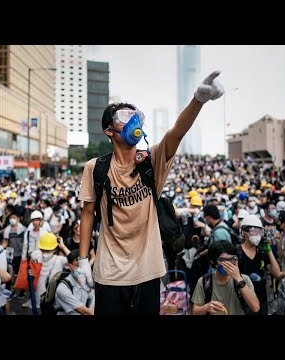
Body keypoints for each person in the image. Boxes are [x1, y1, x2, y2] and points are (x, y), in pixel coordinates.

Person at [78, 71, 224, 315]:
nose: (133, 121)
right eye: (125, 117)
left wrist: (198, 99)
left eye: (136, 117)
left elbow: (176, 132)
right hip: (109, 274)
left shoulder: (151, 163)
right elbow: (88, 212)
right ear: (109, 130)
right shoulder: (96, 168)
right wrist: (83, 260)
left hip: (147, 273)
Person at [191, 240, 260, 315]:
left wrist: (239, 279)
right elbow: (195, 311)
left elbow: (255, 307)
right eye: (223, 260)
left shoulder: (244, 279)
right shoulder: (204, 281)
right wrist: (206, 307)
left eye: (231, 259)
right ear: (213, 261)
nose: (228, 264)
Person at [236, 215, 281, 315]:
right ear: (244, 232)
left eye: (259, 231)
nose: (257, 235)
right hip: (242, 301)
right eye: (253, 231)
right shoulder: (237, 252)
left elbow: (277, 274)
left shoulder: (261, 252)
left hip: (261, 300)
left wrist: (269, 251)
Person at [54, 249, 95, 315]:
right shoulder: (63, 288)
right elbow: (85, 312)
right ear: (69, 266)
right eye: (78, 265)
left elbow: (93, 296)